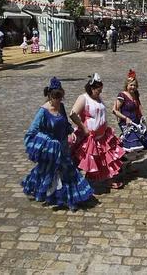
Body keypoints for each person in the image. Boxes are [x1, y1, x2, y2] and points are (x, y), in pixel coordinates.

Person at [21, 77, 94, 211]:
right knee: (49, 172)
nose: (59, 100)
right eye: (56, 97)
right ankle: (53, 196)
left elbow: (65, 122)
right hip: (51, 149)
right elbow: (32, 131)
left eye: (61, 97)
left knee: (67, 172)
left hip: (63, 147)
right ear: (50, 96)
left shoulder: (61, 106)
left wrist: (71, 131)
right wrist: (48, 140)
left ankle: (68, 197)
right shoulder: (42, 112)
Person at [69, 73, 125, 189]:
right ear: (92, 88)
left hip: (102, 135)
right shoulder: (83, 98)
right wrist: (83, 128)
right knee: (85, 161)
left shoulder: (97, 98)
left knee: (105, 159)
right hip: (89, 137)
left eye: (101, 91)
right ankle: (78, 183)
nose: (100, 93)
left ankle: (109, 180)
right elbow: (72, 114)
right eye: (98, 91)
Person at [112, 69, 147, 153]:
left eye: (135, 85)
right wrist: (125, 118)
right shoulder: (122, 95)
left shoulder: (135, 94)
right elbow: (115, 111)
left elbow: (139, 105)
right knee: (132, 143)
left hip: (136, 122)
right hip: (126, 123)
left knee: (140, 144)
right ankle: (120, 159)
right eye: (131, 85)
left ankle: (128, 163)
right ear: (127, 85)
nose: (133, 87)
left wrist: (142, 118)